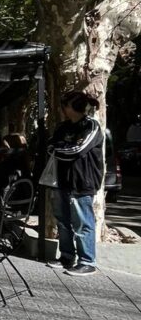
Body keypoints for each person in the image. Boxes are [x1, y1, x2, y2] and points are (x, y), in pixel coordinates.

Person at [46, 90, 104, 276]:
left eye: (65, 105)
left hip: (83, 182)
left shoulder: (91, 126)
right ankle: (66, 256)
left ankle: (87, 261)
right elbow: (50, 146)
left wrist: (58, 148)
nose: (63, 109)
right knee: (63, 221)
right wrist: (59, 148)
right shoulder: (62, 127)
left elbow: (77, 150)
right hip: (62, 180)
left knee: (82, 223)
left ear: (69, 107)